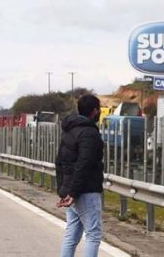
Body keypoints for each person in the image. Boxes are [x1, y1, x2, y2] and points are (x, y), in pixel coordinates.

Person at [55, 94, 104, 257]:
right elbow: (84, 165)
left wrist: (64, 190)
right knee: (93, 235)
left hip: (72, 190)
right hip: (85, 190)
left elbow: (60, 162)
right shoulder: (89, 133)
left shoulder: (70, 130)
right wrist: (73, 193)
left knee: (71, 235)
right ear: (95, 111)